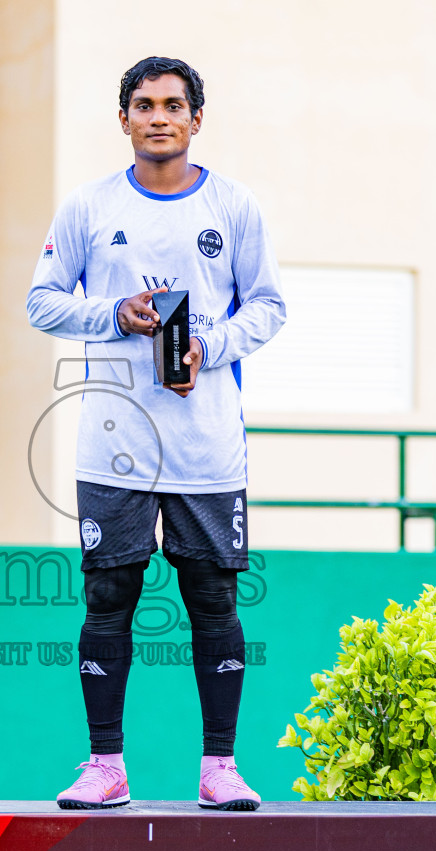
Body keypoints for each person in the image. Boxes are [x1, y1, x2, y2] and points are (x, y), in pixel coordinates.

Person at [26, 56, 286, 811]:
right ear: (124, 119)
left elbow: (267, 307)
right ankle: (104, 767)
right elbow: (42, 304)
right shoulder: (87, 206)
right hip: (114, 440)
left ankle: (221, 769)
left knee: (214, 599)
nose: (159, 117)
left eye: (174, 105)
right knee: (109, 594)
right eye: (144, 105)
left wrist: (211, 348)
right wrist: (115, 313)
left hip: (207, 443)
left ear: (197, 120)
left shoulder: (235, 208)